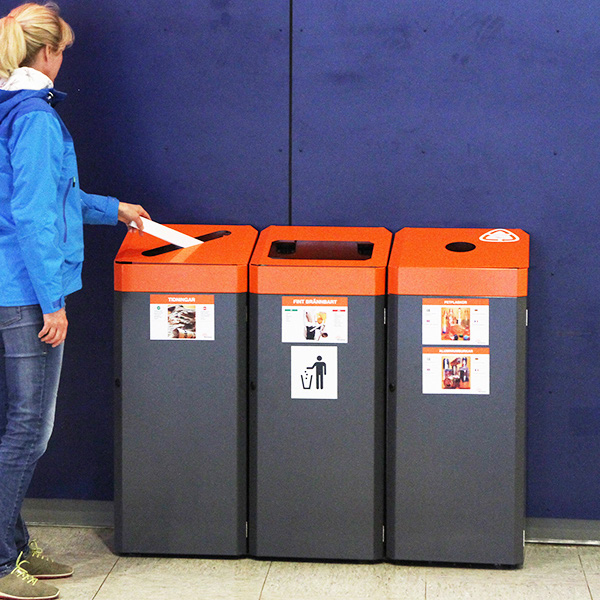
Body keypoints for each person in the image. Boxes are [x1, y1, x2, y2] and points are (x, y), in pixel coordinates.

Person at [0, 3, 150, 599]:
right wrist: (53, 302)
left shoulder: (10, 108)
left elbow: (50, 197)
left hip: (12, 286)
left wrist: (112, 210)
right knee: (28, 430)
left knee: (22, 425)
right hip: (25, 294)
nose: (64, 60)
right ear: (47, 53)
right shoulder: (35, 117)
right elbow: (34, 216)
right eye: (62, 50)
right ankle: (2, 556)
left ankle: (12, 540)